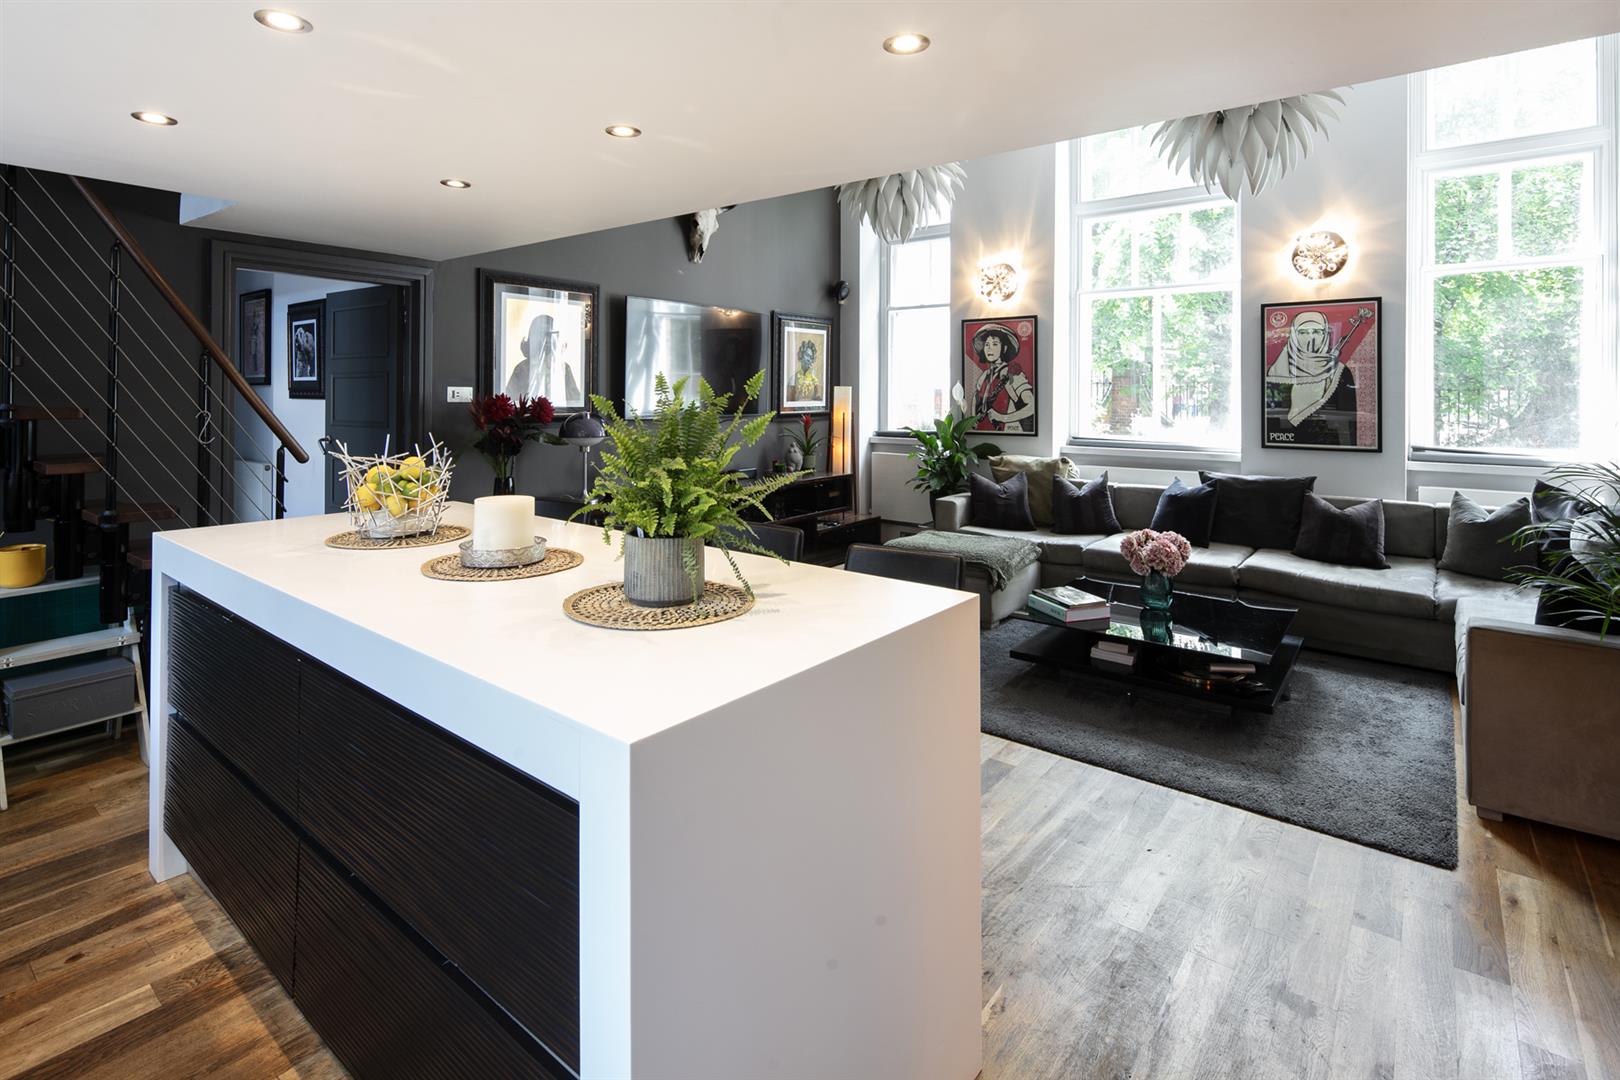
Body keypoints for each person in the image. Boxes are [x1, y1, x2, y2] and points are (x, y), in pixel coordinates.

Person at [970, 323, 1034, 432]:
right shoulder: (985, 375)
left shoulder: (1012, 373)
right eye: (987, 344)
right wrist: (972, 420)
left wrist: (1002, 417)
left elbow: (1031, 406)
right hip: (983, 433)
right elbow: (976, 399)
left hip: (1007, 433)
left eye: (995, 344)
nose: (989, 348)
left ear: (1004, 348)